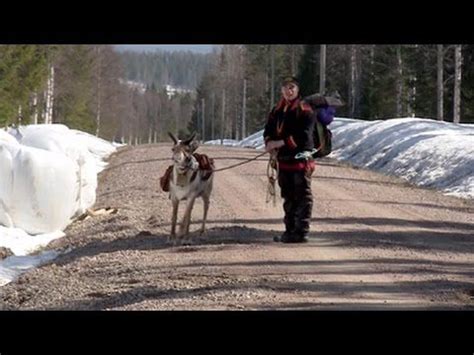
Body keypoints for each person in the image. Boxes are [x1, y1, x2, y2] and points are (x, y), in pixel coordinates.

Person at [263, 76, 317, 243]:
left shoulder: (305, 109)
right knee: (288, 196)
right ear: (282, 90)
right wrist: (269, 143)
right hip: (283, 161)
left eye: (292, 87)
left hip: (301, 161)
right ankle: (289, 230)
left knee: (303, 196)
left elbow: (304, 137)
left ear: (297, 90)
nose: (289, 90)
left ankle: (301, 231)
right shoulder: (277, 110)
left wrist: (280, 142)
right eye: (286, 87)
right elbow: (268, 130)